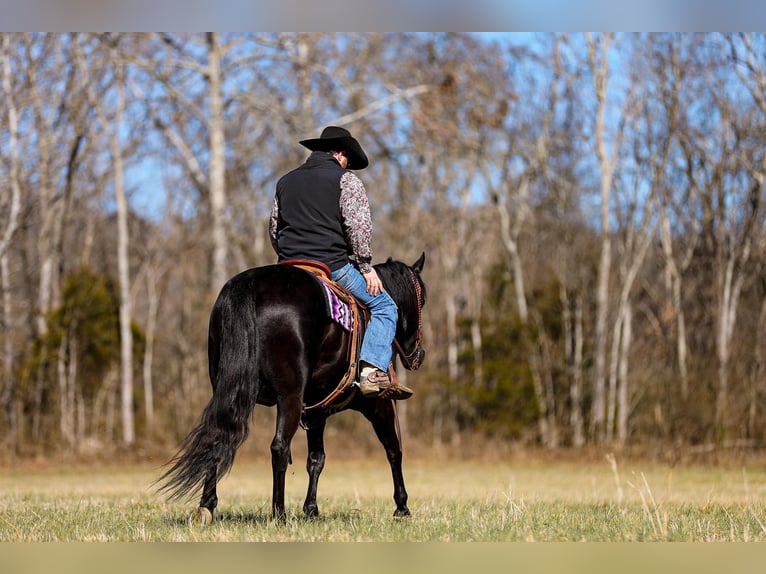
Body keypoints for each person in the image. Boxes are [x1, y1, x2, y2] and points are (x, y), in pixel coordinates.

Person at [269, 126, 412, 400]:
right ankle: (371, 373)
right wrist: (366, 267)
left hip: (287, 265)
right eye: (348, 161)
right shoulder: (346, 180)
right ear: (342, 154)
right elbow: (358, 229)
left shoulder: (284, 182)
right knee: (385, 307)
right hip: (331, 265)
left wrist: (287, 254)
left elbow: (275, 229)